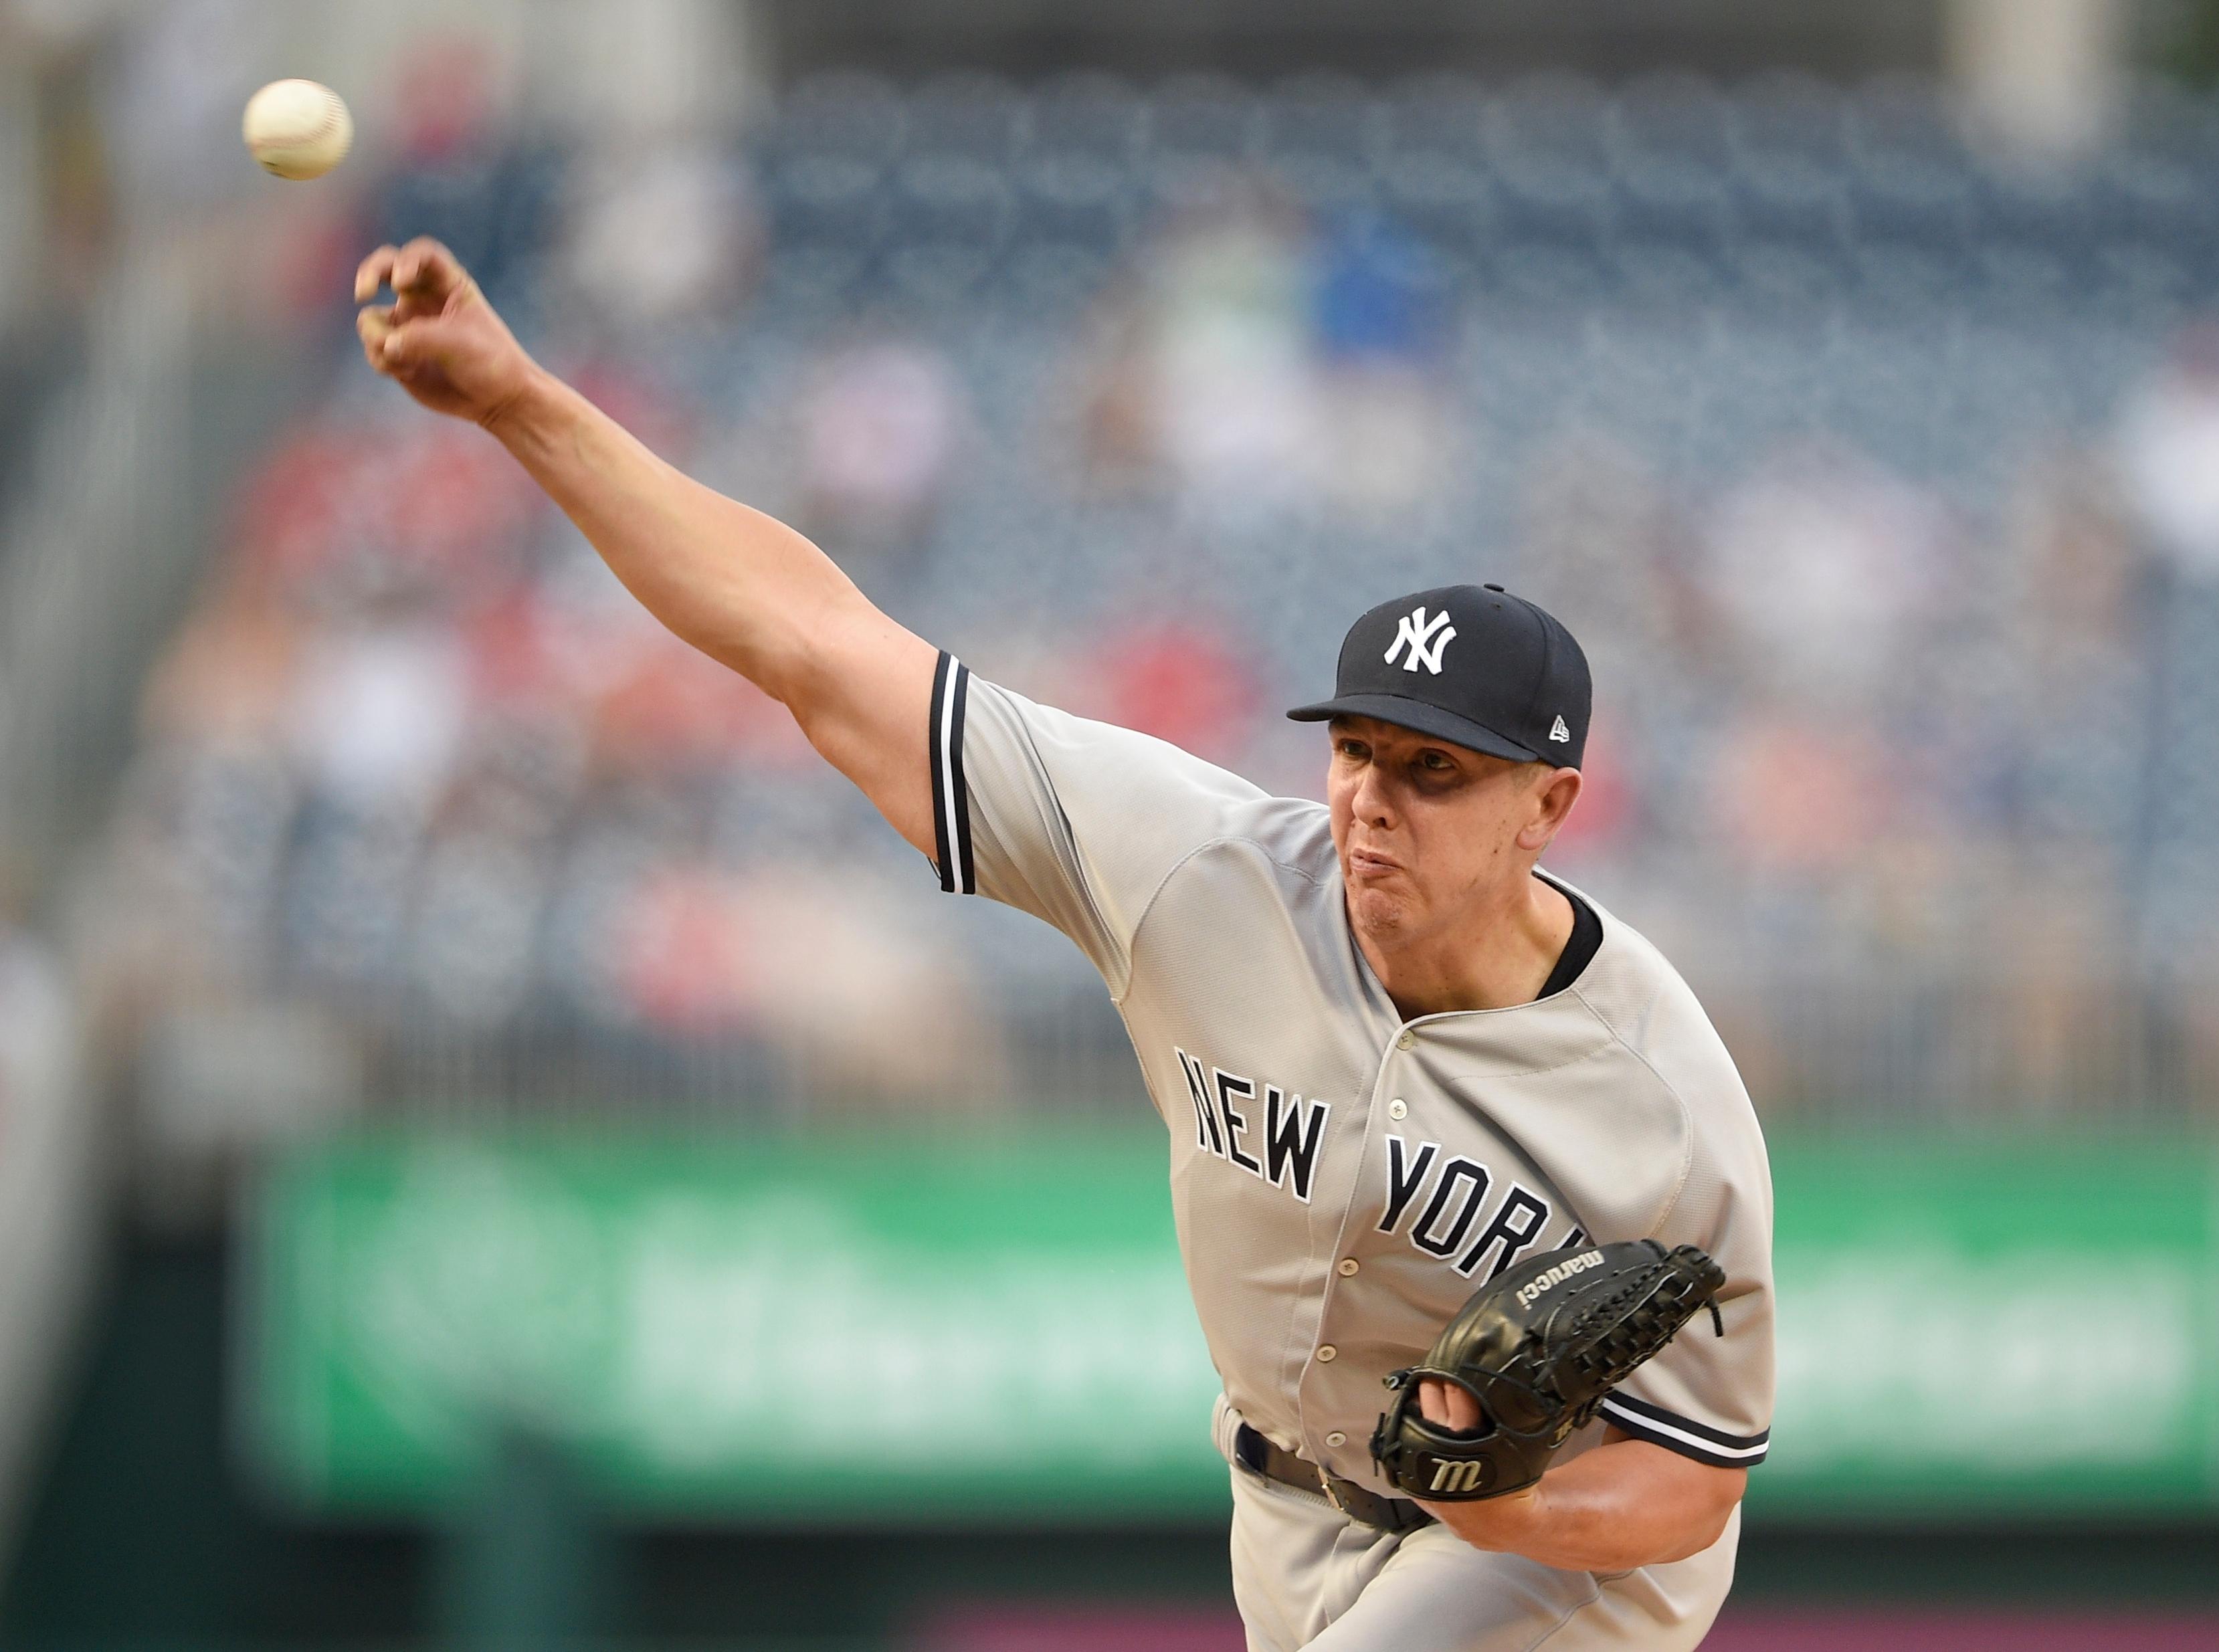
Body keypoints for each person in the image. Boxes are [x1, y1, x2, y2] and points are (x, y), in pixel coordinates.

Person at [353, 237, 1773, 1652]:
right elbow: (813, 640)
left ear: (1550, 804)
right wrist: (517, 398)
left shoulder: (1657, 1094)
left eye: (1435, 772)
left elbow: (1694, 1477)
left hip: (1557, 1565)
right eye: (1355, 750)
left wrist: (1502, 1502)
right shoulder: (1201, 870)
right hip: (1280, 1518)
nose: (1373, 803)